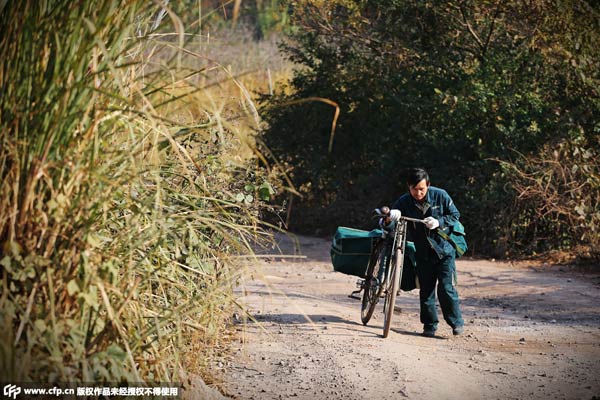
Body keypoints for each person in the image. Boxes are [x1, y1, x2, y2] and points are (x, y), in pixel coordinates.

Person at [387, 167, 464, 337]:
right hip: (422, 253)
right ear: (409, 187)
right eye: (414, 189)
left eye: (422, 188)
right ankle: (429, 326)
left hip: (444, 250)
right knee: (426, 291)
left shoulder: (441, 195)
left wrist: (439, 222)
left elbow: (455, 215)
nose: (418, 192)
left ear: (428, 185)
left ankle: (456, 323)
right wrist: (392, 217)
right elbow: (391, 223)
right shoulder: (404, 202)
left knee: (446, 288)